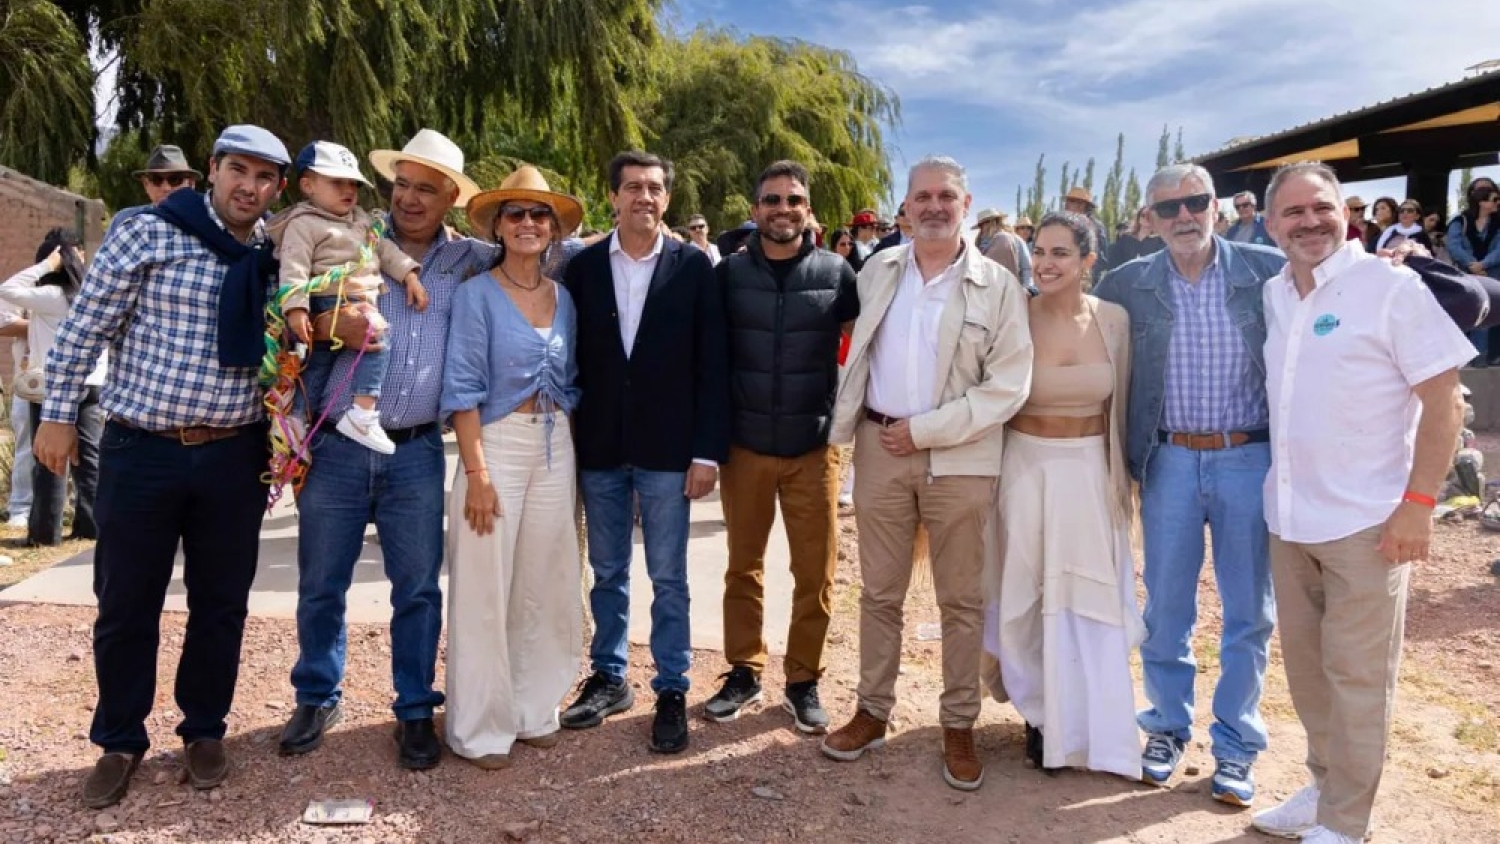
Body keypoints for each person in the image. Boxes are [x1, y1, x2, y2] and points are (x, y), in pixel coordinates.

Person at [34, 124, 290, 809]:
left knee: (221, 605)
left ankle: (204, 730)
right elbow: (86, 326)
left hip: (234, 453)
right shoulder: (146, 230)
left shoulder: (271, 250)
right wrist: (58, 414)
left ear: (278, 188)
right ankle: (119, 740)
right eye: (239, 170)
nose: (250, 187)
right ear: (212, 168)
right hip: (140, 448)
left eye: (266, 178)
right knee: (125, 604)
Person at [1250, 161, 1473, 844]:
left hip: (1368, 522)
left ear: (1343, 212)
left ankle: (1347, 823)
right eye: (1293, 213)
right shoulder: (1275, 293)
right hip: (1290, 519)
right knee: (1311, 673)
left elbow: (1445, 400)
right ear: (1269, 224)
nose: (1309, 222)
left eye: (1321, 207)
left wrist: (1419, 503)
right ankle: (1322, 788)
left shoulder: (1390, 287)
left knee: (1358, 676)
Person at [279, 128, 492, 770]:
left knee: (419, 589)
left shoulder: (469, 261)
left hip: (418, 451)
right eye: (401, 184)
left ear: (452, 197)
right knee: (322, 582)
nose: (409, 199)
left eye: (426, 189)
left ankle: (413, 708)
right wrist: (320, 324)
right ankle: (317, 694)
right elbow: (277, 310)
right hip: (338, 445)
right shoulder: (345, 238)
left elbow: (542, 251)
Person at [819, 155, 1033, 792]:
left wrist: (928, 431)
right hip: (880, 447)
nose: (934, 206)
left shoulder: (999, 287)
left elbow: (1008, 387)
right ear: (905, 209)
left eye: (947, 196)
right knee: (879, 593)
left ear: (966, 205)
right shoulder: (879, 269)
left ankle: (958, 724)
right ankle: (872, 711)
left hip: (960, 458)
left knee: (960, 601)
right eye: (922, 197)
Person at [1093, 163, 1284, 808]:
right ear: (1148, 218)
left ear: (1217, 208)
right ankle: (1167, 728)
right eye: (1168, 208)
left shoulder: (1267, 271)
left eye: (1195, 202)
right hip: (1168, 459)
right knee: (1166, 608)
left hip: (1247, 457)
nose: (1183, 217)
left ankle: (1235, 744)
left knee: (1248, 612)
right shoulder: (1126, 284)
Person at [559, 150, 729, 754]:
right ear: (613, 197)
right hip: (601, 446)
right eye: (632, 187)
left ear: (668, 199)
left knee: (668, 576)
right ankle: (609, 677)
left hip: (669, 450)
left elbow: (713, 366)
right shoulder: (580, 269)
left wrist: (707, 452)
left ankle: (672, 687)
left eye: (655, 188)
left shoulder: (694, 268)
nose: (645, 198)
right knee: (606, 572)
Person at [982, 210, 1140, 779]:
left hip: (1091, 475)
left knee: (1086, 600)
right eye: (1040, 252)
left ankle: (1094, 719)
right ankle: (1041, 716)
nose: (1046, 264)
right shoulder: (1012, 316)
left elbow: (1126, 404)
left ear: (1087, 262)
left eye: (1061, 254)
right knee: (1027, 595)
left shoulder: (1116, 321)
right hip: (1024, 470)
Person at [704, 160, 859, 734]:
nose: (782, 209)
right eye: (771, 200)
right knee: (743, 568)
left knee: (814, 574)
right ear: (754, 210)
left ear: (808, 210)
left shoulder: (838, 273)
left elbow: (861, 349)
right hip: (743, 448)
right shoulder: (727, 277)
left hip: (813, 450)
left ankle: (803, 679)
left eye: (793, 200)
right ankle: (744, 670)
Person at [441, 166, 585, 769]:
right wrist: (477, 475)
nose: (529, 223)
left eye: (539, 214)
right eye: (516, 214)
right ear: (498, 226)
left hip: (557, 446)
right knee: (484, 587)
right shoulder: (476, 295)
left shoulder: (566, 298)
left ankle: (532, 707)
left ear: (553, 229)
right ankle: (479, 727)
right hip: (494, 446)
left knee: (546, 581)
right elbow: (462, 389)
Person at [267, 140, 426, 454]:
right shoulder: (303, 224)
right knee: (375, 335)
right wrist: (296, 310)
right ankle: (362, 412)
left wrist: (408, 274)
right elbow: (294, 268)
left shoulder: (361, 220)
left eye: (352, 183)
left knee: (319, 366)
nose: (348, 190)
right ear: (308, 185)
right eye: (336, 182)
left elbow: (385, 250)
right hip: (331, 299)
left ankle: (297, 419)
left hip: (356, 297)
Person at [0, 229, 105, 546]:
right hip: (93, 383)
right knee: (89, 456)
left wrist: (47, 264)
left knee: (49, 458)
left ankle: (45, 532)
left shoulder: (51, 298)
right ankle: (91, 525)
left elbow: (7, 289)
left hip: (53, 386)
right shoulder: (91, 295)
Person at [104, 144, 203, 240]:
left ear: (190, 184)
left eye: (175, 179)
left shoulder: (204, 223)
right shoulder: (124, 220)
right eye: (157, 179)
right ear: (146, 184)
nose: (166, 188)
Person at [975, 207, 1033, 290]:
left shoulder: (1013, 239)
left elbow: (1027, 268)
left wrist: (1026, 289)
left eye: (986, 223)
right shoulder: (979, 244)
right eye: (982, 224)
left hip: (1011, 290)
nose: (984, 227)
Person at [1063, 186, 1111, 279]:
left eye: (1071, 201)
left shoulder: (1095, 227)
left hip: (1087, 279)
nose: (1066, 205)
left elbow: (1101, 257)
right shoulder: (1065, 224)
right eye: (1067, 201)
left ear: (1082, 205)